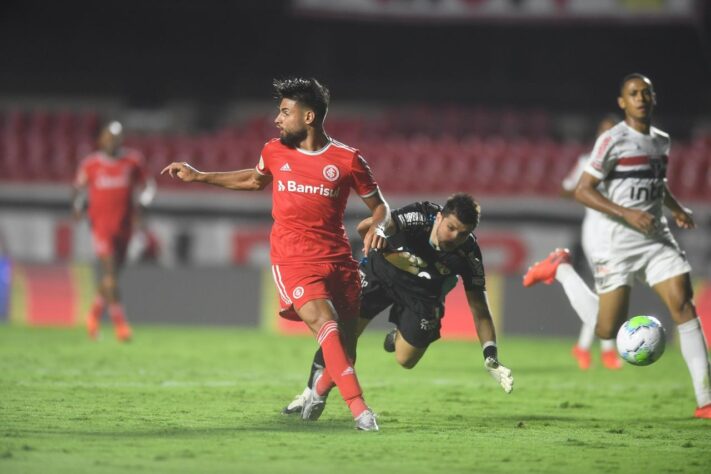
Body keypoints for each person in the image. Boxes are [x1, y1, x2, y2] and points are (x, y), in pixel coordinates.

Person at [161, 77, 391, 431]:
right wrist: (199, 176)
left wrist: (379, 225)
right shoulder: (274, 150)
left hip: (337, 259)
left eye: (285, 112)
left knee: (347, 344)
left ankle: (317, 390)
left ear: (309, 116)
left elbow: (381, 208)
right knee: (325, 326)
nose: (277, 119)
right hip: (293, 258)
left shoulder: (347, 160)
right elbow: (254, 180)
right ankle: (361, 411)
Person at [523, 73, 711, 419]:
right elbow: (582, 190)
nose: (640, 97)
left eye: (646, 92)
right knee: (608, 329)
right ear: (623, 102)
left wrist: (676, 208)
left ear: (654, 98)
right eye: (633, 93)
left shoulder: (661, 141)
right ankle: (561, 268)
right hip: (617, 243)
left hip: (656, 238)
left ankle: (706, 401)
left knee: (684, 304)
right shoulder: (611, 141)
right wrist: (626, 212)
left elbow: (656, 183)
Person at [282, 194, 514, 420]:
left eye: (463, 233)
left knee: (406, 360)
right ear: (440, 217)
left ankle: (397, 337)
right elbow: (365, 227)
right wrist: (382, 239)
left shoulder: (469, 254)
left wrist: (490, 355)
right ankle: (307, 394)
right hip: (380, 275)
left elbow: (480, 308)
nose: (454, 237)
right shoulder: (418, 217)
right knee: (342, 334)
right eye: (451, 227)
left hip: (423, 295)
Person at [526, 115, 623, 371]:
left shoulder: (627, 164)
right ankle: (607, 351)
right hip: (595, 231)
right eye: (605, 131)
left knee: (608, 289)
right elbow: (565, 189)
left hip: (620, 233)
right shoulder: (586, 161)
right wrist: (587, 187)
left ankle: (583, 346)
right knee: (606, 288)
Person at [72, 121, 156, 342]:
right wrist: (78, 207)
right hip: (100, 227)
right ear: (100, 139)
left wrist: (144, 204)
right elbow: (78, 190)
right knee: (110, 274)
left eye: (116, 137)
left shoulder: (133, 161)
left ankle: (92, 317)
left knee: (114, 276)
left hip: (124, 226)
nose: (112, 141)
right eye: (108, 137)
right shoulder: (91, 165)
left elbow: (149, 185)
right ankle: (121, 326)